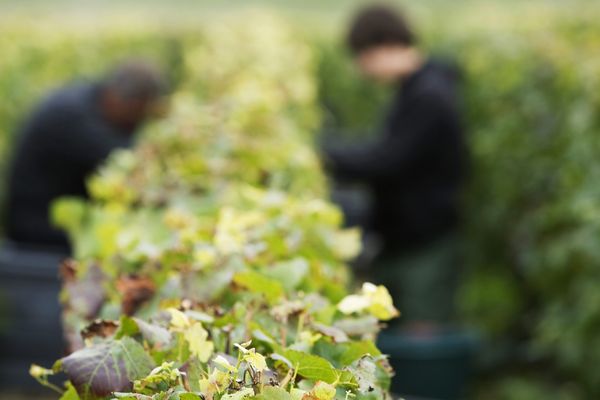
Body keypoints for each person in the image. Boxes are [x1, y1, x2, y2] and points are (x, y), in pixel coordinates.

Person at [324, 5, 468, 330]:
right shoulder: (419, 87)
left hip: (425, 239)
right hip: (409, 235)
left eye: (362, 58)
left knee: (421, 328)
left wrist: (325, 156)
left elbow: (389, 159)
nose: (362, 69)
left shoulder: (429, 96)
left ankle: (426, 381)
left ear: (384, 47)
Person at [4, 60, 168, 253]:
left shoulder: (91, 99)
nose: (137, 125)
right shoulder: (72, 116)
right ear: (128, 102)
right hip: (37, 227)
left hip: (52, 217)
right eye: (138, 116)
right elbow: (125, 161)